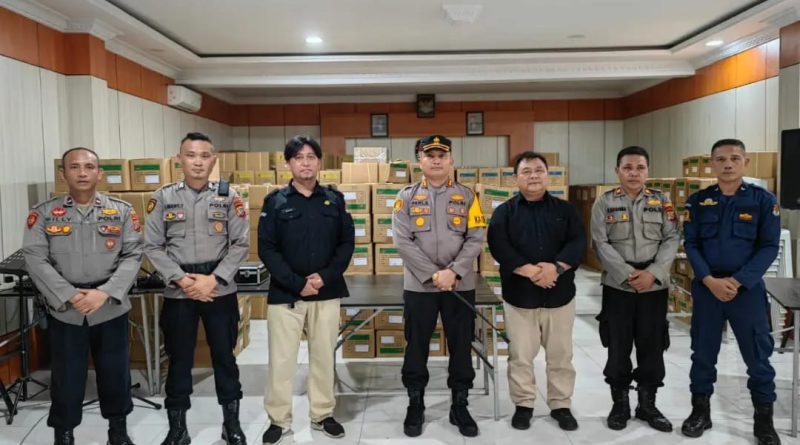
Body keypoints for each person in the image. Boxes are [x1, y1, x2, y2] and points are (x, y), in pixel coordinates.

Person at [23, 147, 142, 445]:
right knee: (66, 377)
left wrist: (104, 292)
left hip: (109, 305)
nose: (82, 173)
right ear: (63, 174)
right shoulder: (44, 213)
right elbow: (34, 257)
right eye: (74, 167)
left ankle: (118, 431)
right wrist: (70, 295)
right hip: (66, 308)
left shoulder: (122, 211)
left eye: (89, 167)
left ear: (99, 173)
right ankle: (64, 434)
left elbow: (133, 255)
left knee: (115, 373)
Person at [144, 132, 249, 445]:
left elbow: (240, 244)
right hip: (180, 290)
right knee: (178, 360)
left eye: (205, 156)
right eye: (191, 155)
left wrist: (213, 280)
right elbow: (152, 245)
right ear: (180, 160)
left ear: (213, 160)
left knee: (225, 358)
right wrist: (182, 280)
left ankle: (231, 424)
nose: (198, 162)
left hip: (219, 289)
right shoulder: (163, 197)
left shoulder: (229, 196)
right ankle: (177, 428)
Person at [681, 139, 781, 445]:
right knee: (703, 354)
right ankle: (700, 412)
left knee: (758, 357)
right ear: (711, 163)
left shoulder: (763, 201)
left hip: (746, 292)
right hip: (707, 290)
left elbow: (769, 247)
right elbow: (691, 244)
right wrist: (709, 280)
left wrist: (738, 281)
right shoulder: (698, 202)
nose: (728, 164)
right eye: (721, 159)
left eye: (735, 158)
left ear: (745, 163)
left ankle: (763, 422)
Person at [259, 136, 355, 445]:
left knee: (323, 357)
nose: (305, 163)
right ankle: (278, 419)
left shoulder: (334, 200)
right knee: (281, 361)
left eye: (311, 156)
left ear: (319, 162)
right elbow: (267, 249)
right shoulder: (275, 201)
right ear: (288, 163)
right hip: (286, 294)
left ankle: (323, 414)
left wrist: (323, 278)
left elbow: (346, 243)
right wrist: (297, 283)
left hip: (326, 292)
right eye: (298, 157)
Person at [392, 135, 486, 438]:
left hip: (459, 285)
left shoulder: (467, 196)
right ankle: (415, 403)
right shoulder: (406, 196)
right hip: (420, 287)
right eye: (429, 155)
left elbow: (476, 237)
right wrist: (434, 275)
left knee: (461, 345)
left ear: (451, 161)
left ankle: (460, 404)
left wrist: (454, 272)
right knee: (416, 345)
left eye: (441, 155)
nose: (436, 160)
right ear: (419, 161)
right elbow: (402, 241)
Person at [487, 151, 586, 432]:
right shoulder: (504, 212)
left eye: (539, 170)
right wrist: (529, 271)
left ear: (547, 175)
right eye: (527, 171)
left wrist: (556, 268)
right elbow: (499, 246)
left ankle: (561, 405)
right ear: (515, 178)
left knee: (561, 355)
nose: (533, 176)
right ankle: (524, 404)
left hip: (560, 296)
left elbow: (578, 242)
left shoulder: (566, 210)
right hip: (520, 297)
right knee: (520, 355)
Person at [591, 146, 679, 433]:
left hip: (654, 286)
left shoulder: (662, 201)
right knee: (618, 346)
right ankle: (620, 405)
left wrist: (652, 273)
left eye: (640, 168)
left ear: (647, 171)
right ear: (617, 171)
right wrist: (628, 275)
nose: (634, 173)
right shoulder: (604, 202)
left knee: (652, 345)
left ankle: (647, 404)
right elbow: (600, 243)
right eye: (627, 167)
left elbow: (672, 238)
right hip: (619, 286)